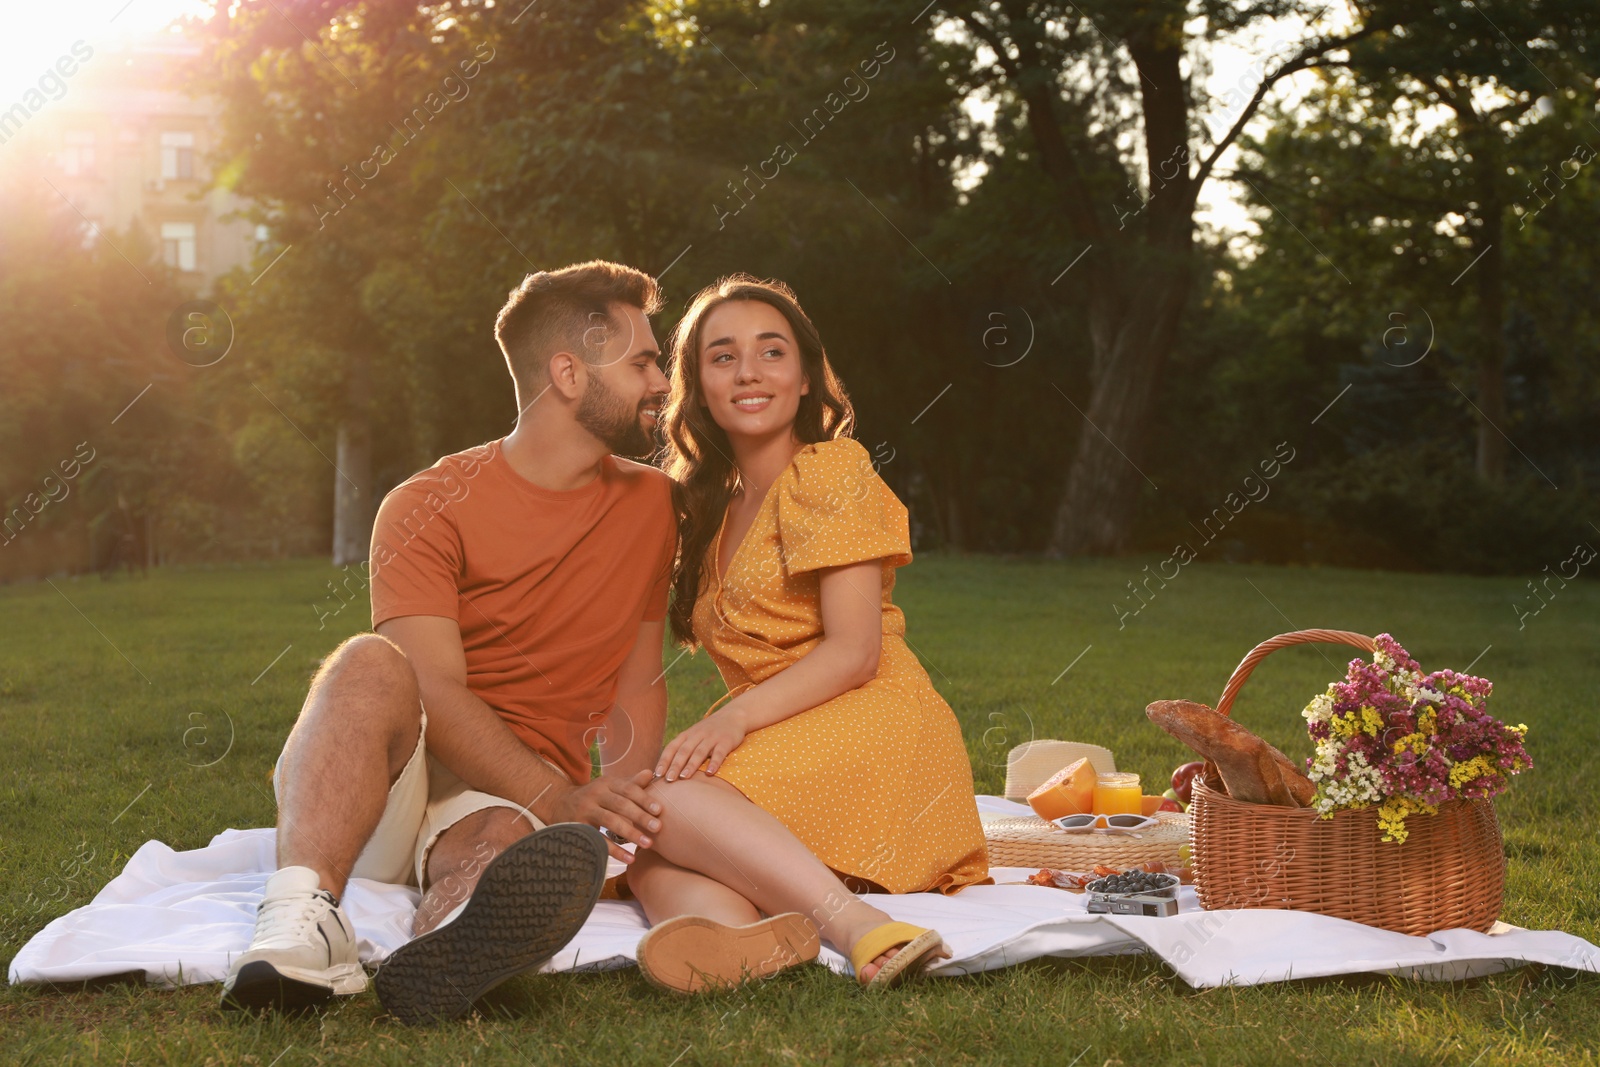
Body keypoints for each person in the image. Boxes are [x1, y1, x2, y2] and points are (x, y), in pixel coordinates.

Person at [221, 261, 679, 1024]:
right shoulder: (426, 504)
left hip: (509, 803)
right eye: (642, 362)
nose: (662, 380)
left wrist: (624, 824)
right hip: (382, 787)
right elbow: (431, 691)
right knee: (369, 661)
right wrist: (559, 795)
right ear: (568, 373)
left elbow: (637, 676)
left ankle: (440, 945)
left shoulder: (652, 505)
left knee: (497, 836)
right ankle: (299, 922)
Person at [623, 274, 989, 993]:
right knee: (645, 837)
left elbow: (855, 651)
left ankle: (860, 930)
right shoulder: (707, 508)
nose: (749, 372)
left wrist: (730, 720)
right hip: (785, 731)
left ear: (804, 374)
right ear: (696, 383)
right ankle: (736, 941)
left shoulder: (829, 470)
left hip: (877, 719)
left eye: (772, 351)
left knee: (667, 803)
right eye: (723, 356)